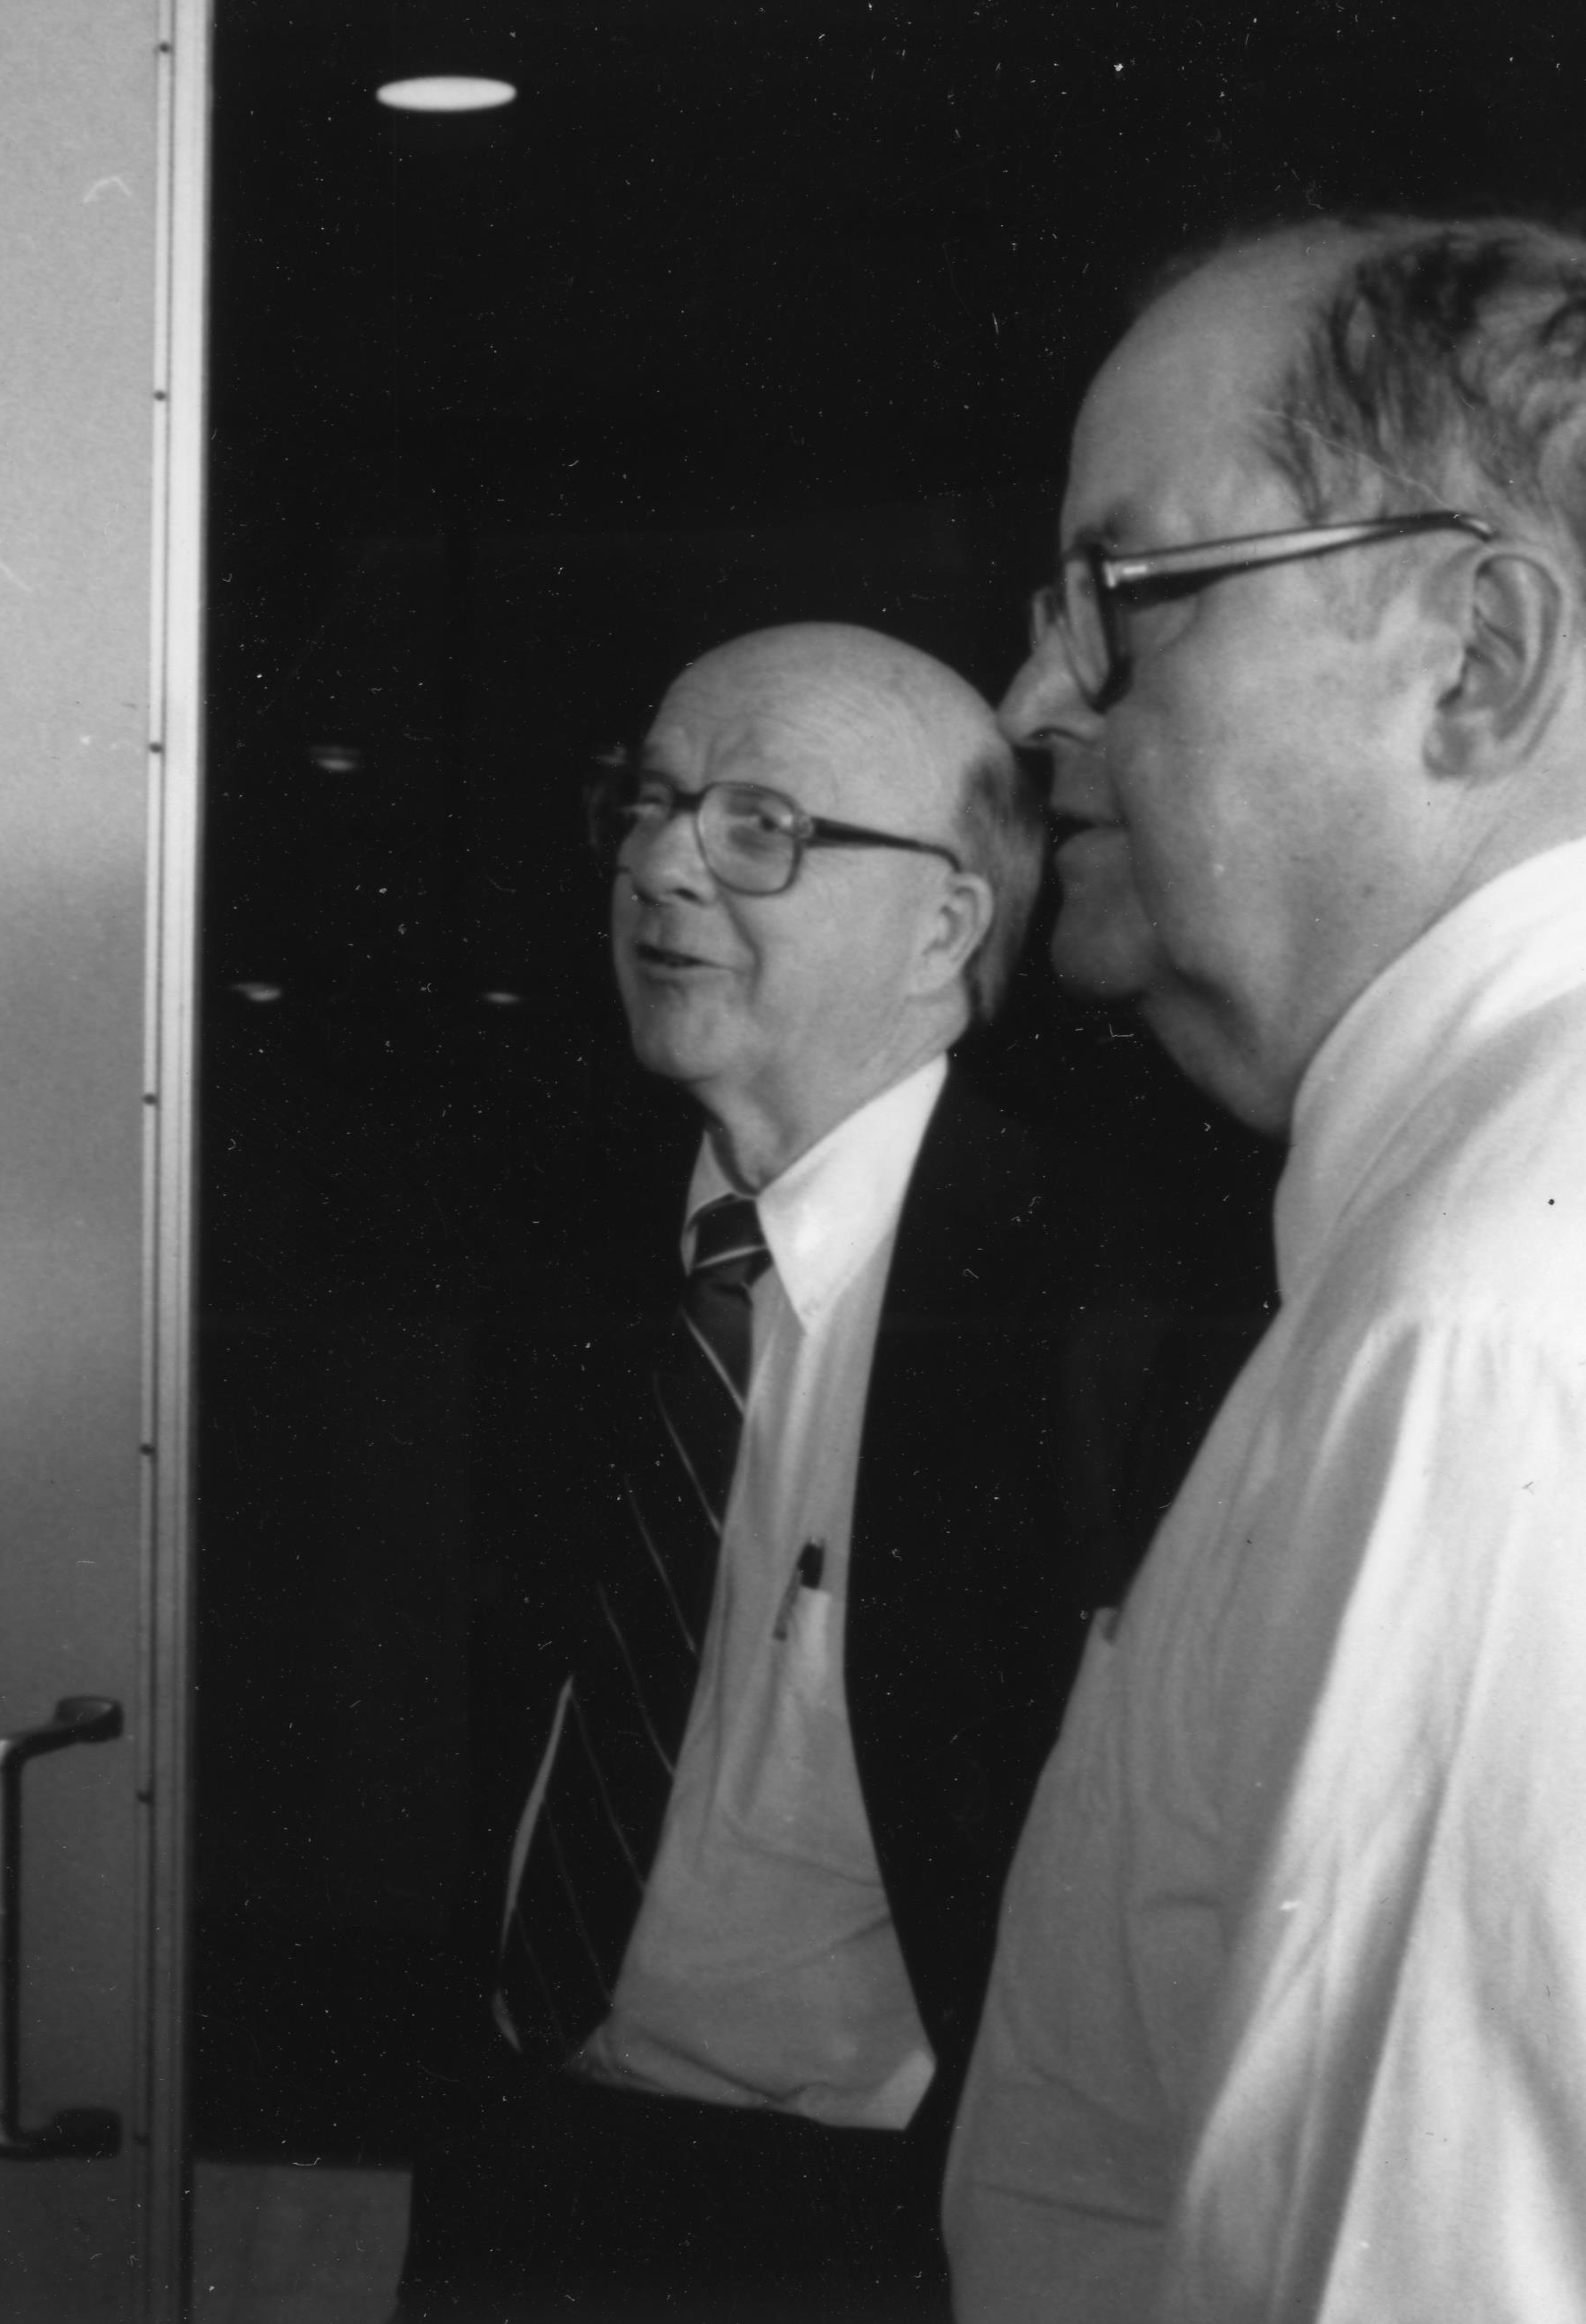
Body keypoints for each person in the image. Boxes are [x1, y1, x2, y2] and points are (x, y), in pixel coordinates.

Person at [950, 215, 1586, 2320]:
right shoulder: (1546, 1227)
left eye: (1122, 597)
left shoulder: (1517, 1344)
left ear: (1473, 662)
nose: (1030, 699)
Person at [397, 624, 1082, 2320]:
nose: (655, 863)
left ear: (947, 926)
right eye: (650, 801)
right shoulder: (558, 1223)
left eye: (760, 823)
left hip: (871, 2226)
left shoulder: (1086, 1298)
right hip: (515, 2155)